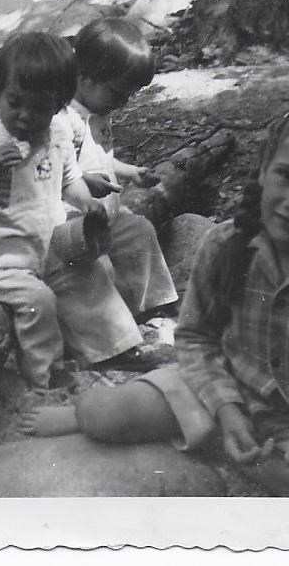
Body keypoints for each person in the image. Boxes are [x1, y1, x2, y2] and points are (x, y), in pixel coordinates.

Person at [20, 105, 289, 497]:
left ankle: (255, 459)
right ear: (265, 172)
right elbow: (196, 338)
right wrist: (228, 408)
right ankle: (253, 456)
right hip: (216, 396)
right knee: (104, 416)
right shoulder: (227, 245)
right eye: (287, 176)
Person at [0, 32, 140, 389]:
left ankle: (114, 348)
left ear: (58, 105)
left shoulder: (57, 132)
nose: (25, 116)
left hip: (52, 248)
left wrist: (87, 203)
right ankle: (45, 375)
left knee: (92, 277)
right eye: (14, 103)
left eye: (38, 108)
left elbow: (69, 180)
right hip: (3, 259)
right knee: (38, 301)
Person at [56, 18, 179, 368]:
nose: (123, 103)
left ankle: (153, 305)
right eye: (117, 93)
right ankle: (111, 346)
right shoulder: (62, 120)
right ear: (83, 77)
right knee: (95, 270)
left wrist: (129, 171)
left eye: (129, 95)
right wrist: (83, 181)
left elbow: (102, 155)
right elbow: (59, 171)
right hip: (73, 222)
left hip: (106, 214)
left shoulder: (98, 109)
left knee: (140, 231)